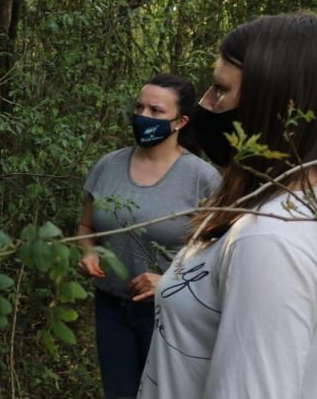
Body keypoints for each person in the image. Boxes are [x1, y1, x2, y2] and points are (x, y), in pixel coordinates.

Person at [138, 13, 317, 398]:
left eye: (219, 89)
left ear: (275, 106)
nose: (205, 104)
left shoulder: (270, 239)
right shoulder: (307, 210)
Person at [77, 74, 221, 399]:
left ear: (181, 121)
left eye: (156, 111)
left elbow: (219, 258)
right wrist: (87, 252)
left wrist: (168, 280)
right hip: (111, 307)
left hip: (171, 313)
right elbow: (86, 228)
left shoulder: (203, 179)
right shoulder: (107, 166)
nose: (144, 116)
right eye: (140, 107)